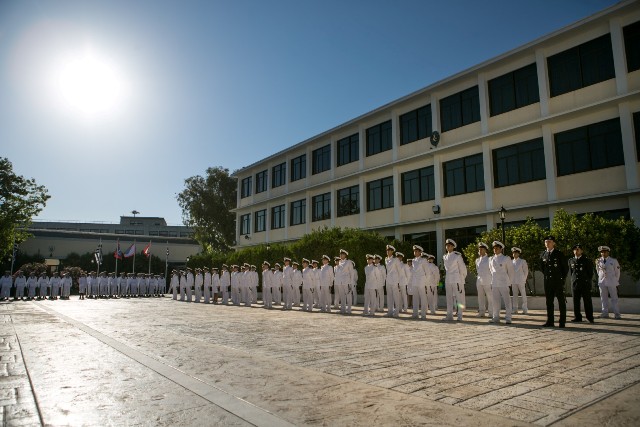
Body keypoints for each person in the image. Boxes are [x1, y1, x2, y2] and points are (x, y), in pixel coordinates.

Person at [540, 235, 568, 328]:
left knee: (561, 301)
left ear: (554, 243)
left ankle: (562, 322)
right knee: (549, 302)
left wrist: (561, 278)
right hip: (548, 281)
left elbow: (565, 268)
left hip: (557, 281)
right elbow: (542, 268)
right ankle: (550, 321)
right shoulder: (543, 254)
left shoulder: (559, 254)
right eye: (546, 242)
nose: (547, 243)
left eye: (550, 242)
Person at [488, 241, 514, 324]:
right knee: (495, 301)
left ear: (501, 249)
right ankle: (495, 317)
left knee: (507, 300)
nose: (495, 250)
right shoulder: (491, 259)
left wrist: (509, 282)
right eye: (494, 248)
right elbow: (491, 270)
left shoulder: (506, 258)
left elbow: (510, 271)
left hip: (504, 282)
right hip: (495, 282)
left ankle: (508, 317)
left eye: (497, 248)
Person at [568, 244, 594, 323]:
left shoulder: (586, 260)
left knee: (587, 301)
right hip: (575, 283)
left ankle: (590, 317)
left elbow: (590, 273)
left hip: (584, 283)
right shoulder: (571, 260)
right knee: (575, 301)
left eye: (578, 249)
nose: (576, 251)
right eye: (575, 249)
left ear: (582, 251)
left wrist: (586, 280)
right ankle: (577, 317)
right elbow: (571, 272)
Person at [443, 239, 467, 321]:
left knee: (458, 298)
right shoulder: (445, 257)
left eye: (449, 245)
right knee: (449, 297)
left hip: (456, 279)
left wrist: (461, 279)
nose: (447, 247)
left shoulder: (457, 256)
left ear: (453, 247)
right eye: (447, 245)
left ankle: (460, 315)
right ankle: (449, 314)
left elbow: (462, 269)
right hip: (448, 279)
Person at [596, 245, 621, 319]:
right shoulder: (598, 261)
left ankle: (617, 314)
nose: (603, 253)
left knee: (614, 298)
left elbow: (617, 272)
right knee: (603, 298)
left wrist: (615, 280)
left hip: (611, 281)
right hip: (602, 281)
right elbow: (598, 271)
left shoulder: (613, 261)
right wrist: (600, 278)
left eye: (605, 252)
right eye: (602, 252)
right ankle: (605, 313)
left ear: (608, 252)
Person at [411, 246, 430, 320]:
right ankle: (415, 313)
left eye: (416, 251)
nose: (415, 252)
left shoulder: (423, 260)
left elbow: (427, 272)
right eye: (414, 251)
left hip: (421, 280)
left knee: (423, 297)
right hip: (415, 281)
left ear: (420, 252)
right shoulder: (413, 260)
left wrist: (426, 282)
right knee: (415, 297)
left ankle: (423, 314)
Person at [475, 243, 493, 318]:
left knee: (490, 296)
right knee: (480, 296)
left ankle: (491, 312)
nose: (480, 250)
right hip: (479, 280)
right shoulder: (477, 260)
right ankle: (482, 311)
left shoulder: (489, 259)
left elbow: (492, 270)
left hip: (487, 280)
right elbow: (477, 270)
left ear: (485, 250)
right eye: (479, 249)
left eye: (482, 249)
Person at [385, 245, 402, 318]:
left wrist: (398, 281)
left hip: (395, 280)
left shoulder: (395, 260)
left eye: (389, 250)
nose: (388, 251)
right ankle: (390, 311)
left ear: (392, 251)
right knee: (389, 297)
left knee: (396, 296)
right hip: (388, 280)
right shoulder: (386, 259)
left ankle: (396, 312)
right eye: (387, 250)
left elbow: (399, 271)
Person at [335, 249, 354, 314]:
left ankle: (349, 309)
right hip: (340, 282)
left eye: (342, 254)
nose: (340, 255)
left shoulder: (348, 262)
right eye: (340, 254)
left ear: (345, 255)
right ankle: (343, 309)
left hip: (347, 281)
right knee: (342, 296)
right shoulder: (339, 262)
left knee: (348, 296)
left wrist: (351, 283)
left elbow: (352, 272)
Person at [511, 247, 529, 314]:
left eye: (516, 253)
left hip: (521, 280)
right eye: (513, 253)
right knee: (515, 295)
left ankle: (525, 309)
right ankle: (515, 309)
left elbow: (526, 271)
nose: (514, 254)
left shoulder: (522, 261)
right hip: (513, 280)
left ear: (518, 254)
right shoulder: (511, 262)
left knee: (523, 294)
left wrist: (524, 279)